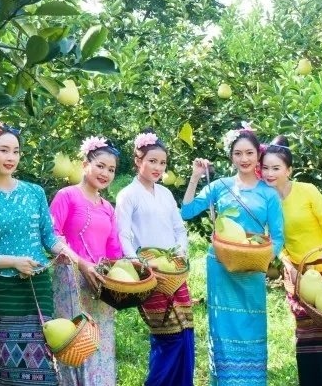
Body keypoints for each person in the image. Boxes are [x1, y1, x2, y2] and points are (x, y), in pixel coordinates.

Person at [0, 122, 76, 385]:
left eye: (15, 151)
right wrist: (13, 262)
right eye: (3, 150)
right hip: (3, 295)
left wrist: (67, 253)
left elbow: (49, 236)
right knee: (5, 368)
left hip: (38, 287)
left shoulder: (34, 192)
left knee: (44, 363)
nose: (11, 157)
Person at [180, 125, 284, 386]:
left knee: (251, 327)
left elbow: (279, 238)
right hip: (221, 266)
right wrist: (194, 177)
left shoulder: (269, 194)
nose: (244, 159)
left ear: (258, 156)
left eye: (249, 153)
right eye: (238, 153)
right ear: (231, 157)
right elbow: (187, 211)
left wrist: (259, 258)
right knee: (223, 328)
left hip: (252, 271)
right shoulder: (219, 187)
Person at [260, 135, 322, 386]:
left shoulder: (307, 190)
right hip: (298, 274)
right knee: (305, 335)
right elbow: (276, 242)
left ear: (289, 170)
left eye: (276, 168)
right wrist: (288, 267)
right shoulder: (266, 201)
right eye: (265, 167)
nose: (270, 173)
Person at [115, 130, 194, 386]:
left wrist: (181, 251)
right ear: (138, 161)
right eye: (152, 161)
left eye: (162, 163)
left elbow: (179, 229)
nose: (158, 167)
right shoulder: (128, 195)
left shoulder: (166, 194)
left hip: (175, 271)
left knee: (185, 334)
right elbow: (122, 234)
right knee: (167, 337)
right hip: (149, 271)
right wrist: (139, 264)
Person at [49, 136, 125, 386]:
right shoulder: (67, 196)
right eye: (101, 166)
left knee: (100, 345)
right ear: (85, 165)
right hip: (71, 282)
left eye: (111, 169)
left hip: (99, 285)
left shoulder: (107, 208)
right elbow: (52, 237)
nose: (106, 173)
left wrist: (122, 279)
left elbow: (114, 251)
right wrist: (81, 263)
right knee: (75, 345)